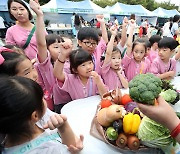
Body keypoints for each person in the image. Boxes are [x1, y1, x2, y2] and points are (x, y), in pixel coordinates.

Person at [0, 76, 83, 154]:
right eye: (42, 98)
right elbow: (72, 148)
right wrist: (64, 127)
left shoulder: (12, 128)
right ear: (35, 116)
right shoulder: (51, 150)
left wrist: (63, 125)